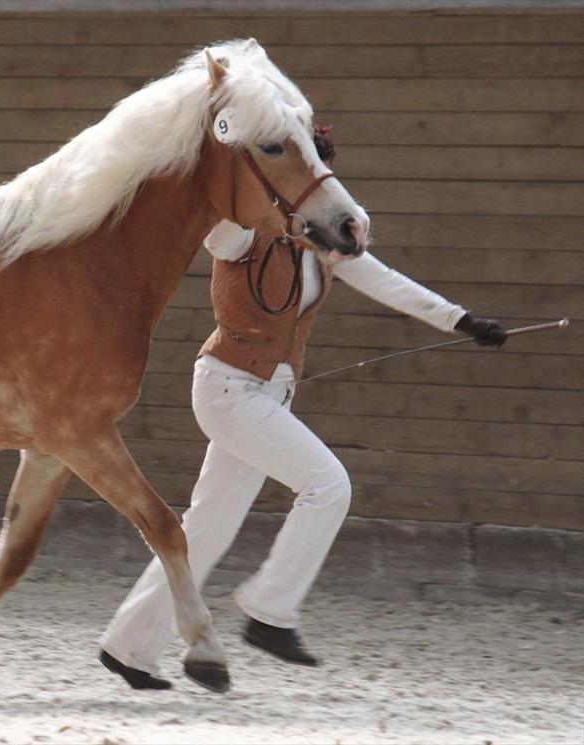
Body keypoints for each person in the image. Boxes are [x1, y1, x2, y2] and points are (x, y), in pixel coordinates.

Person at [98, 216, 507, 691]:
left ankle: (129, 648)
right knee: (328, 485)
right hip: (229, 390)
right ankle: (268, 612)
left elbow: (385, 281)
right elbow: (216, 233)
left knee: (208, 528)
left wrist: (462, 320)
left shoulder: (321, 242)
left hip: (268, 395)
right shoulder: (243, 233)